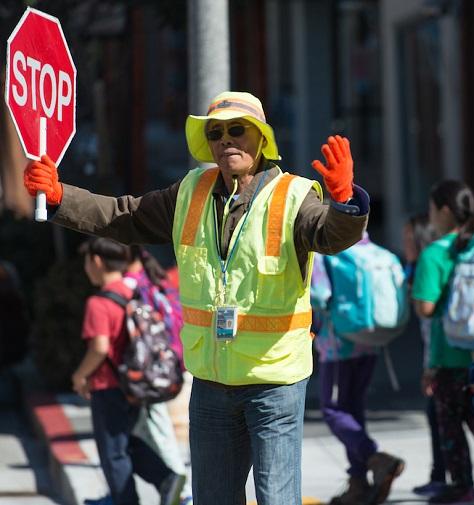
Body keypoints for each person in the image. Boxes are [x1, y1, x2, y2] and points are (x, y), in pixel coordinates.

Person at [23, 91, 369, 505]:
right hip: (211, 381)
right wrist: (61, 196)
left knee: (276, 499)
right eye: (217, 132)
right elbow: (124, 216)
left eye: (237, 130)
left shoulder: (293, 196)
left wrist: (345, 203)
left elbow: (329, 235)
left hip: (273, 380)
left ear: (260, 138)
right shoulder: (190, 192)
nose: (227, 140)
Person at [73, 237, 185, 505]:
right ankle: (167, 478)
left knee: (113, 452)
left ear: (96, 261)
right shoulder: (132, 291)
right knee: (129, 445)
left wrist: (80, 375)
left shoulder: (98, 303)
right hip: (132, 384)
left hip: (107, 385)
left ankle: (129, 500)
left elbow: (100, 347)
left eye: (87, 262)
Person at [411, 180, 474, 504]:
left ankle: (463, 488)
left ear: (444, 211)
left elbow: (426, 308)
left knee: (452, 429)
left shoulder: (435, 254)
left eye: (433, 209)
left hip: (448, 354)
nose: (430, 216)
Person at [309, 236, 405, 505]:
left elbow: (320, 295)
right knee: (354, 410)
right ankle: (358, 482)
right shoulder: (374, 251)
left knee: (333, 410)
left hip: (338, 345)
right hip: (370, 342)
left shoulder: (327, 250)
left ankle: (376, 458)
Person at [125, 246, 192, 505]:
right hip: (180, 362)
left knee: (164, 431)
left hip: (157, 370)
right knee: (177, 430)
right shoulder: (167, 281)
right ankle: (184, 486)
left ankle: (181, 488)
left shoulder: (138, 286)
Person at [403, 214, 449, 499]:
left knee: (441, 418)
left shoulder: (426, 267)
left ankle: (445, 478)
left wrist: (429, 367)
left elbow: (431, 326)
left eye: (408, 237)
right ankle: (440, 476)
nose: (403, 243)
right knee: (439, 418)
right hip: (437, 355)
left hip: (441, 357)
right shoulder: (417, 267)